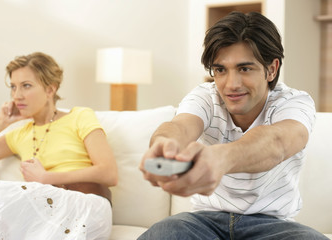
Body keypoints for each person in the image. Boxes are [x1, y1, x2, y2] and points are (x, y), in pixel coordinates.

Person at [138, 11, 328, 240]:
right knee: (164, 233)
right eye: (220, 70)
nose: (231, 85)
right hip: (203, 222)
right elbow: (180, 126)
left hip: (272, 226)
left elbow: (277, 142)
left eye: (244, 69)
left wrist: (221, 159)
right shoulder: (206, 97)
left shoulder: (294, 102)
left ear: (272, 69)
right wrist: (163, 145)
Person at [0, 52, 118, 240]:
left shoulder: (80, 116)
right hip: (43, 210)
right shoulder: (20, 134)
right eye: (13, 87)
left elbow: (109, 173)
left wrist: (47, 177)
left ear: (50, 89)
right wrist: (0, 123)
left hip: (85, 206)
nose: (17, 96)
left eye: (26, 86)